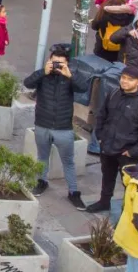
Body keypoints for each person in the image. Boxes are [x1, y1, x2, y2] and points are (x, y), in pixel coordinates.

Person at [85, 66, 138, 213]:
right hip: (107, 146)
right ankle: (104, 202)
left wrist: (133, 152)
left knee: (129, 184)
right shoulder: (114, 93)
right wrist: (100, 137)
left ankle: (128, 210)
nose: (125, 81)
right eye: (123, 78)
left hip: (127, 153)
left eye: (130, 79)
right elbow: (101, 115)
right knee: (107, 176)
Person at [24, 47, 88, 209]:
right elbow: (28, 83)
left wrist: (70, 75)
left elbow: (84, 88)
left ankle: (73, 192)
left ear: (67, 63)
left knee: (68, 161)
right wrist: (43, 72)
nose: (56, 66)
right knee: (42, 157)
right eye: (54, 62)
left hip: (63, 128)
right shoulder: (43, 74)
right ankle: (41, 181)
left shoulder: (70, 76)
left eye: (60, 63)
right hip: (42, 124)